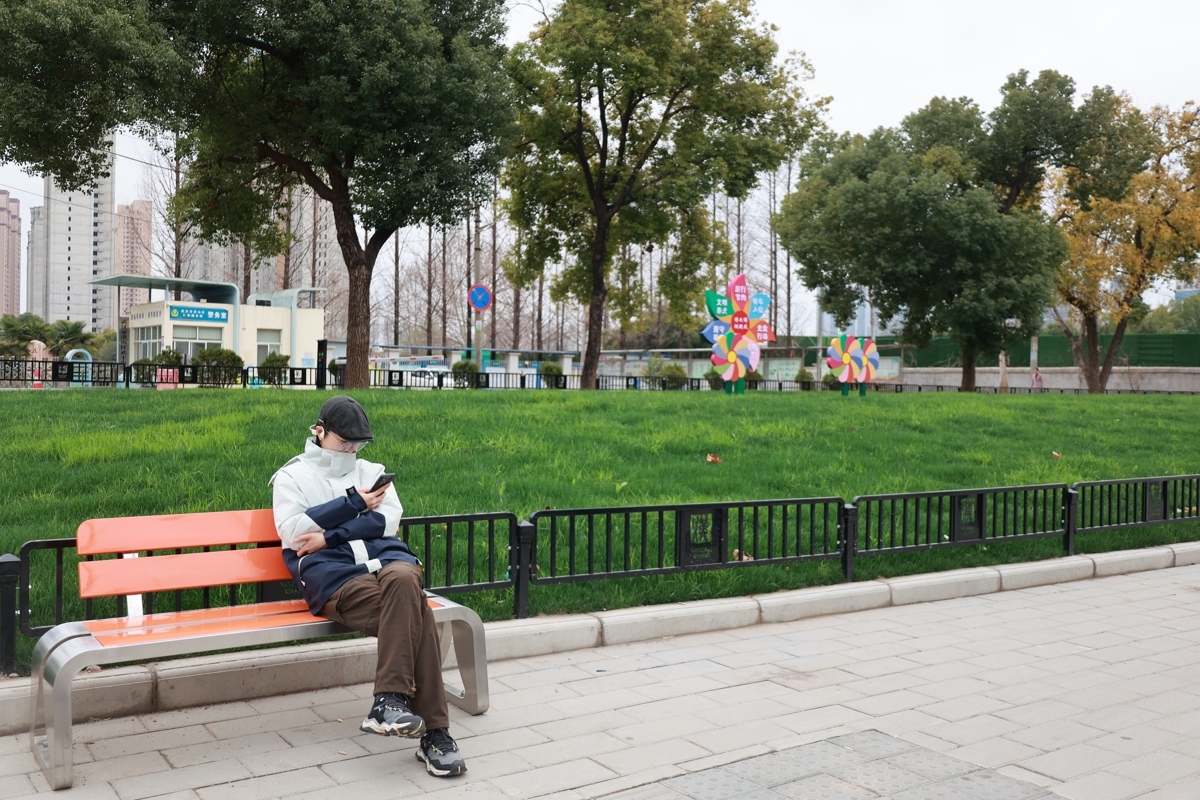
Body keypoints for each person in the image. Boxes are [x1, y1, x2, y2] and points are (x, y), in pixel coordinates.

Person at [271, 395, 467, 777]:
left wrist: (329, 534)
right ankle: (435, 734)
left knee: (406, 577)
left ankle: (388, 702)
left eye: (357, 444)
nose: (351, 450)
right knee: (419, 614)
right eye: (344, 442)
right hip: (337, 579)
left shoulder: (372, 471)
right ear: (319, 431)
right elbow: (294, 532)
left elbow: (388, 521)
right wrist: (355, 504)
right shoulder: (292, 477)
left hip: (388, 564)